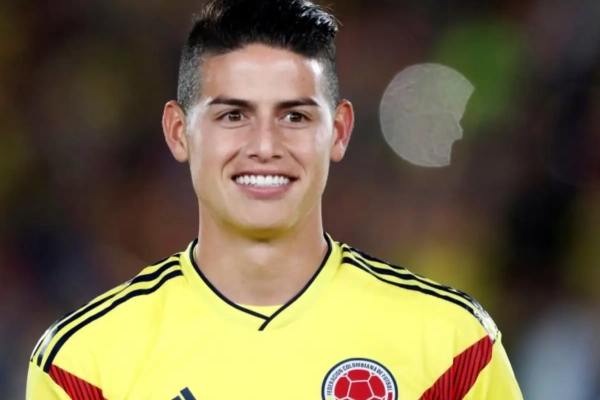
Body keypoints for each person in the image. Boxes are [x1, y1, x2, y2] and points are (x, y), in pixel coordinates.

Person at [26, 0, 523, 398]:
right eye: (233, 116)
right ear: (178, 132)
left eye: (294, 117)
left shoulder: (454, 348)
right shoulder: (84, 366)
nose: (265, 146)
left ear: (339, 132)